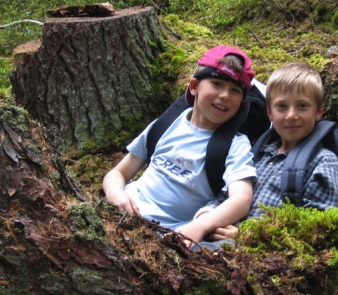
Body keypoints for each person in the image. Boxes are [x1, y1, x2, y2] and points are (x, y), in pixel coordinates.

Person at [103, 45, 257, 246]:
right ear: (194, 86)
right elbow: (118, 173)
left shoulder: (235, 145)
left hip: (172, 235)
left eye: (235, 90)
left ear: (241, 103)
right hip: (124, 213)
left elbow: (241, 200)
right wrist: (116, 193)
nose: (225, 95)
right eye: (217, 84)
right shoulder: (165, 124)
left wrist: (199, 227)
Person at [194, 62, 338, 247]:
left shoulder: (323, 162)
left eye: (302, 106)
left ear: (319, 111)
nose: (291, 115)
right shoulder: (258, 154)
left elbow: (317, 231)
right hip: (216, 243)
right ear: (269, 113)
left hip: (264, 258)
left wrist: (250, 237)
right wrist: (205, 216)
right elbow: (224, 195)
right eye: (281, 106)